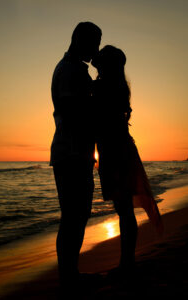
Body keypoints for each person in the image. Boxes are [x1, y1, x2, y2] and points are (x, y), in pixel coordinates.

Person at [91, 45, 163, 276]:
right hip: (121, 149)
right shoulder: (120, 87)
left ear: (106, 66)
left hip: (114, 152)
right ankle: (127, 262)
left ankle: (126, 263)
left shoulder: (102, 87)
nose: (97, 64)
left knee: (123, 209)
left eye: (101, 62)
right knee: (124, 210)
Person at [50, 22, 102, 286]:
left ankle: (70, 274)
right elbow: (75, 112)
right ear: (79, 40)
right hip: (70, 152)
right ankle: (68, 277)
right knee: (74, 215)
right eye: (94, 42)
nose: (96, 49)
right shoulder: (70, 70)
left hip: (74, 152)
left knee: (76, 215)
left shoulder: (73, 68)